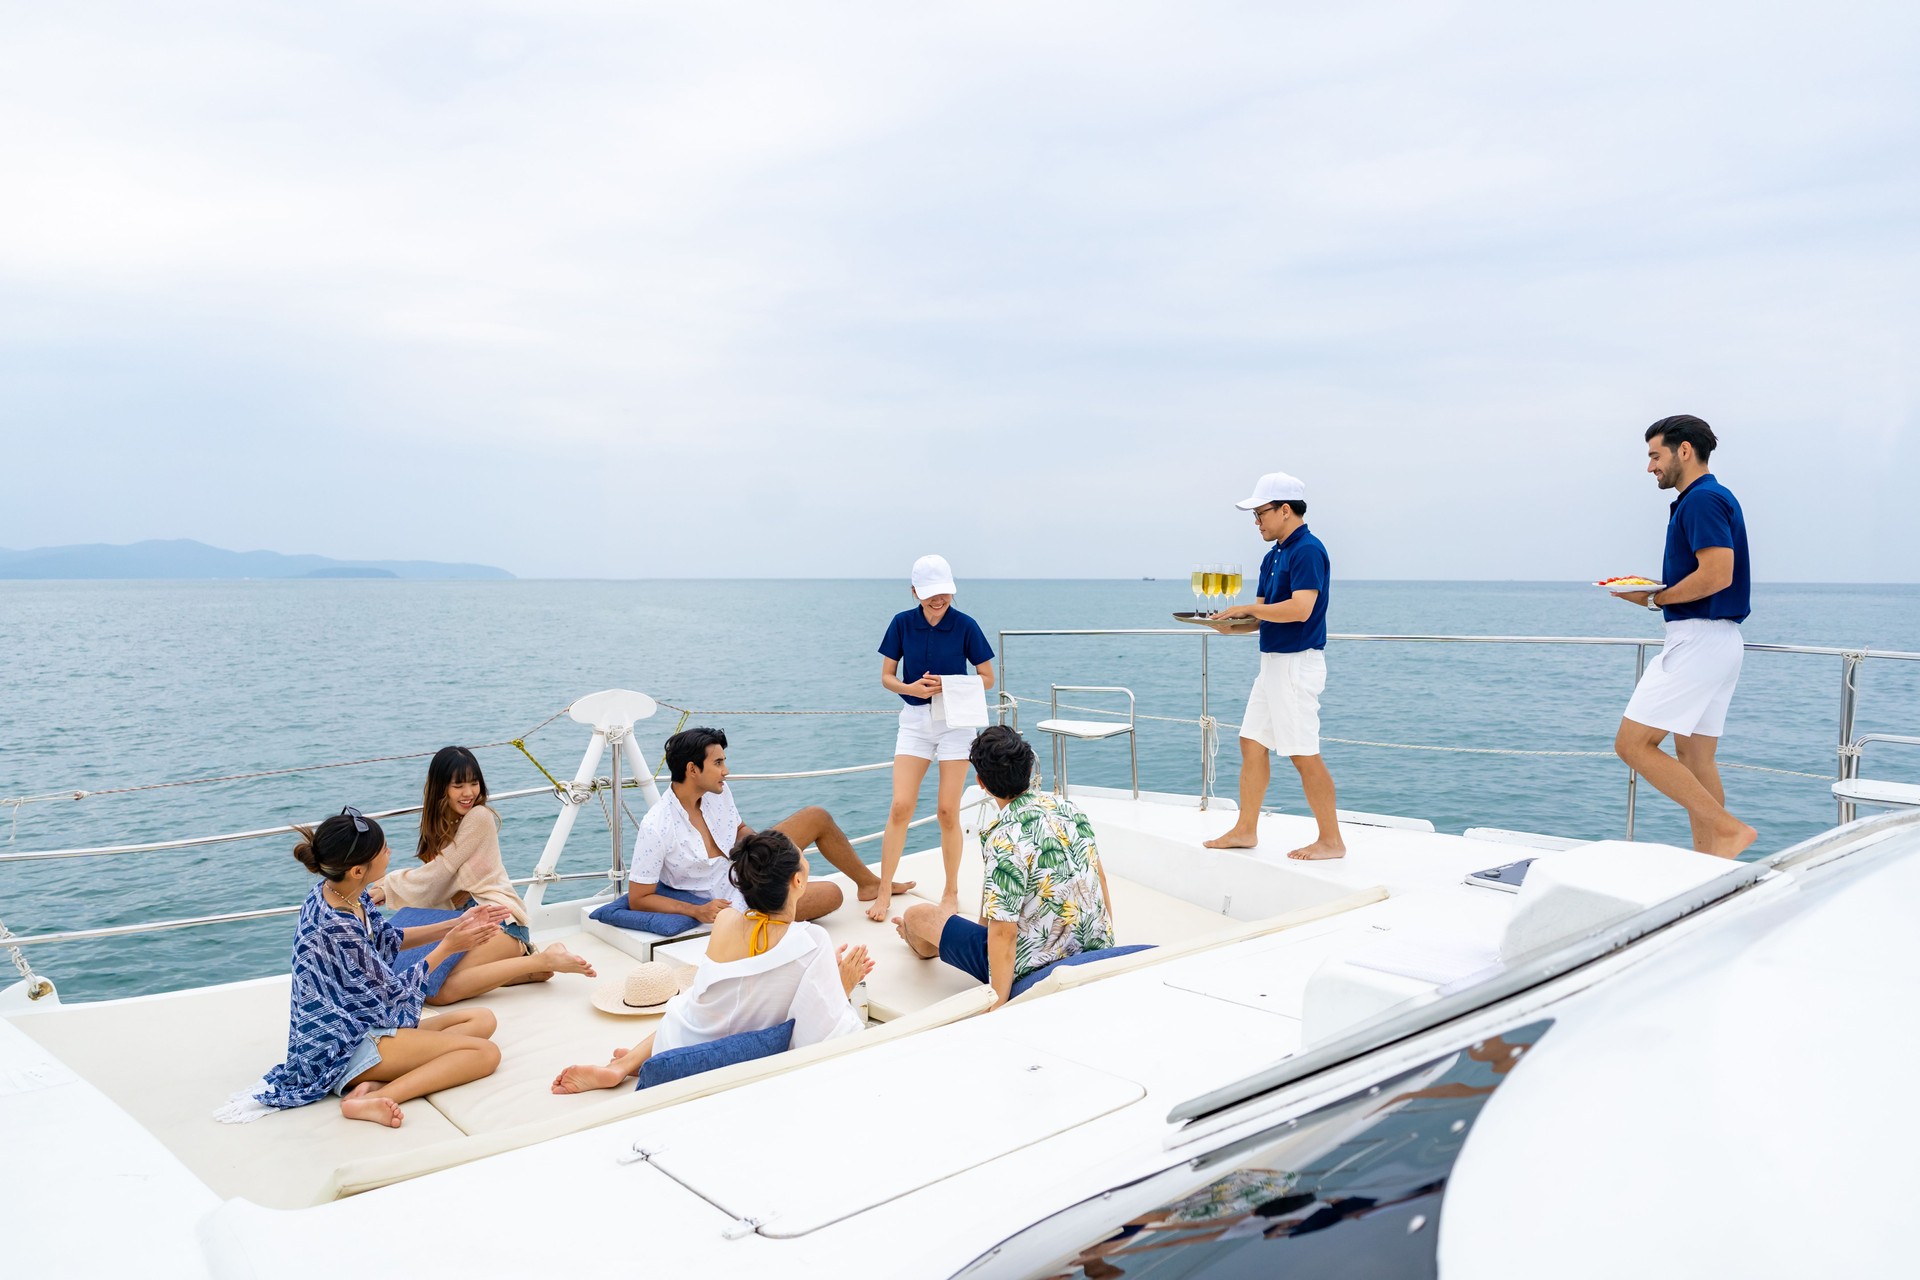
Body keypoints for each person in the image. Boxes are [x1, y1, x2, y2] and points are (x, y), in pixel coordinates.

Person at [219, 808, 503, 1127]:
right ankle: (373, 1099)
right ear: (357, 870)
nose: (389, 852)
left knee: (481, 1019)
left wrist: (456, 923)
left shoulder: (344, 894)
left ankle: (374, 1083)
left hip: (361, 1023)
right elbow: (392, 995)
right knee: (485, 1054)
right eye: (383, 850)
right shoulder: (335, 925)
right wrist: (450, 946)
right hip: (341, 1044)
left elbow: (386, 939)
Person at [553, 830, 872, 1092]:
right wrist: (837, 984)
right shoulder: (811, 942)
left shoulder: (726, 921)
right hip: (732, 1054)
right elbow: (818, 1028)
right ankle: (627, 1065)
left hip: (680, 1040)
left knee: (692, 1000)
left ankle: (622, 1066)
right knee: (770, 1001)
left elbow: (749, 983)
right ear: (798, 882)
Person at [1610, 415, 1757, 858]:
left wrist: (1656, 600)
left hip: (1697, 642)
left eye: (1655, 455)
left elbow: (1717, 574)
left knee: (1632, 745)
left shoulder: (1701, 500)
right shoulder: (1713, 498)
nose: (1650, 466)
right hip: (1720, 641)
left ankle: (1729, 830)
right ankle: (1710, 864)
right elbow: (1711, 575)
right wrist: (1657, 591)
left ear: (1685, 451)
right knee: (1695, 759)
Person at [893, 726, 1115, 1010]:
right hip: (1096, 948)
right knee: (973, 925)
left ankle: (914, 937)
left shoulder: (1004, 836)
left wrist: (998, 1007)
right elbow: (1101, 880)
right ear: (1029, 768)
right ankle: (925, 940)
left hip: (1035, 964)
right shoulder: (1070, 810)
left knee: (917, 915)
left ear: (980, 782)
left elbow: (1003, 934)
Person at [370, 745, 596, 1002]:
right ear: (440, 787)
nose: (468, 793)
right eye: (458, 786)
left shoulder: (479, 816)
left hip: (498, 919)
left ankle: (544, 958)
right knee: (413, 977)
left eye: (474, 783)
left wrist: (386, 887)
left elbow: (438, 873)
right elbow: (436, 879)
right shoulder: (442, 824)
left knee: (434, 991)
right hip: (462, 920)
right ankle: (524, 969)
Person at [626, 726, 911, 924]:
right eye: (718, 763)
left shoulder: (718, 792)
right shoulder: (657, 826)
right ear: (692, 769)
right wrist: (697, 910)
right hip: (735, 897)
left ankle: (869, 884)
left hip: (748, 861)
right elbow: (639, 899)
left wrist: (763, 846)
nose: (726, 771)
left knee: (816, 816)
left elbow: (738, 829)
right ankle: (774, 897)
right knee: (831, 895)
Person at [1203, 470, 1347, 860]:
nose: (1256, 521)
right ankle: (1246, 830)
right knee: (1251, 742)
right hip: (1272, 665)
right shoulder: (1274, 555)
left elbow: (1301, 609)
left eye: (1261, 512)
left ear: (1285, 510)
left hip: (1297, 665)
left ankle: (1332, 841)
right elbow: (1264, 617)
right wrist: (1227, 626)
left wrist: (1249, 607)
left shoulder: (1308, 550)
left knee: (1302, 752)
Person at [867, 553, 996, 922]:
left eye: (943, 593)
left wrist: (948, 685)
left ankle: (950, 891)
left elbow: (987, 678)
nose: (938, 600)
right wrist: (911, 688)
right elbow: (887, 677)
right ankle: (883, 888)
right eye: (929, 594)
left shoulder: (966, 625)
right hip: (914, 721)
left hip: (956, 723)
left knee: (946, 812)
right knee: (900, 806)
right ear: (915, 592)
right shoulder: (901, 624)